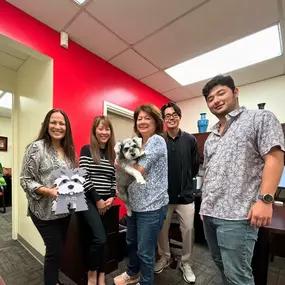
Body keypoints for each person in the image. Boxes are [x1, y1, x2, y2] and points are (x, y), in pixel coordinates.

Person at [200, 75, 285, 285]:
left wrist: (265, 200)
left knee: (238, 275)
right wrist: (204, 205)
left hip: (238, 216)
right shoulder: (211, 136)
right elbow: (209, 171)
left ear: (235, 92)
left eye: (221, 93)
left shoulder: (260, 118)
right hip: (210, 213)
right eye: (210, 98)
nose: (216, 100)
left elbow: (274, 158)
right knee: (221, 265)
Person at [20, 109, 77, 285]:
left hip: (63, 210)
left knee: (57, 250)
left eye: (62, 123)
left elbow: (71, 177)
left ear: (67, 127)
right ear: (47, 124)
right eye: (54, 122)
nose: (58, 127)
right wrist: (47, 191)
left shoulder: (69, 150)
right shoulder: (36, 148)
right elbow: (25, 180)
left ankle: (54, 279)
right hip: (43, 211)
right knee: (55, 250)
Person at [114, 104, 169, 285]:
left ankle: (145, 282)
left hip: (152, 206)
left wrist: (119, 164)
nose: (143, 122)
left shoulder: (156, 141)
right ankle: (132, 273)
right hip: (134, 204)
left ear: (156, 121)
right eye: (139, 119)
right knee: (131, 243)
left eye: (147, 118)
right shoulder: (138, 142)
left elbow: (139, 169)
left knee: (145, 250)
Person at [154, 102, 199, 283]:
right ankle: (164, 257)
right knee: (161, 230)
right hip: (163, 197)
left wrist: (186, 180)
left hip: (185, 197)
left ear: (179, 117)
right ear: (163, 119)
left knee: (188, 230)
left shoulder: (190, 140)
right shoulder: (158, 140)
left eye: (174, 115)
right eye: (167, 115)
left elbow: (194, 166)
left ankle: (185, 262)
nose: (171, 118)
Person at [78, 116, 117, 285]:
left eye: (107, 129)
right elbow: (83, 177)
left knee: (104, 240)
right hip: (87, 200)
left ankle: (102, 273)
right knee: (100, 238)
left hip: (106, 202)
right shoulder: (86, 150)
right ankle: (92, 274)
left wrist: (111, 198)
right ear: (95, 131)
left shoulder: (113, 154)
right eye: (100, 128)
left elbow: (114, 179)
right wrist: (98, 199)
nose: (104, 132)